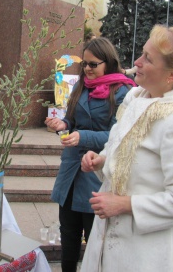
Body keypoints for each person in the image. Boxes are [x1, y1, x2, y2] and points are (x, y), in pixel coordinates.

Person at [80, 25, 173, 272]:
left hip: (146, 254)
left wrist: (124, 205)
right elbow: (120, 151)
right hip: (108, 243)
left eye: (148, 59)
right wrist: (102, 160)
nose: (137, 62)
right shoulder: (136, 98)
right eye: (142, 53)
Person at [45, 37, 136, 272]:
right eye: (84, 64)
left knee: (94, 240)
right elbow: (71, 119)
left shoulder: (124, 91)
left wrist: (82, 136)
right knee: (68, 235)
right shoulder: (81, 86)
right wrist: (62, 124)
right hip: (72, 169)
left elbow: (119, 135)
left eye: (93, 64)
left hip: (96, 171)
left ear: (108, 62)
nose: (87, 69)